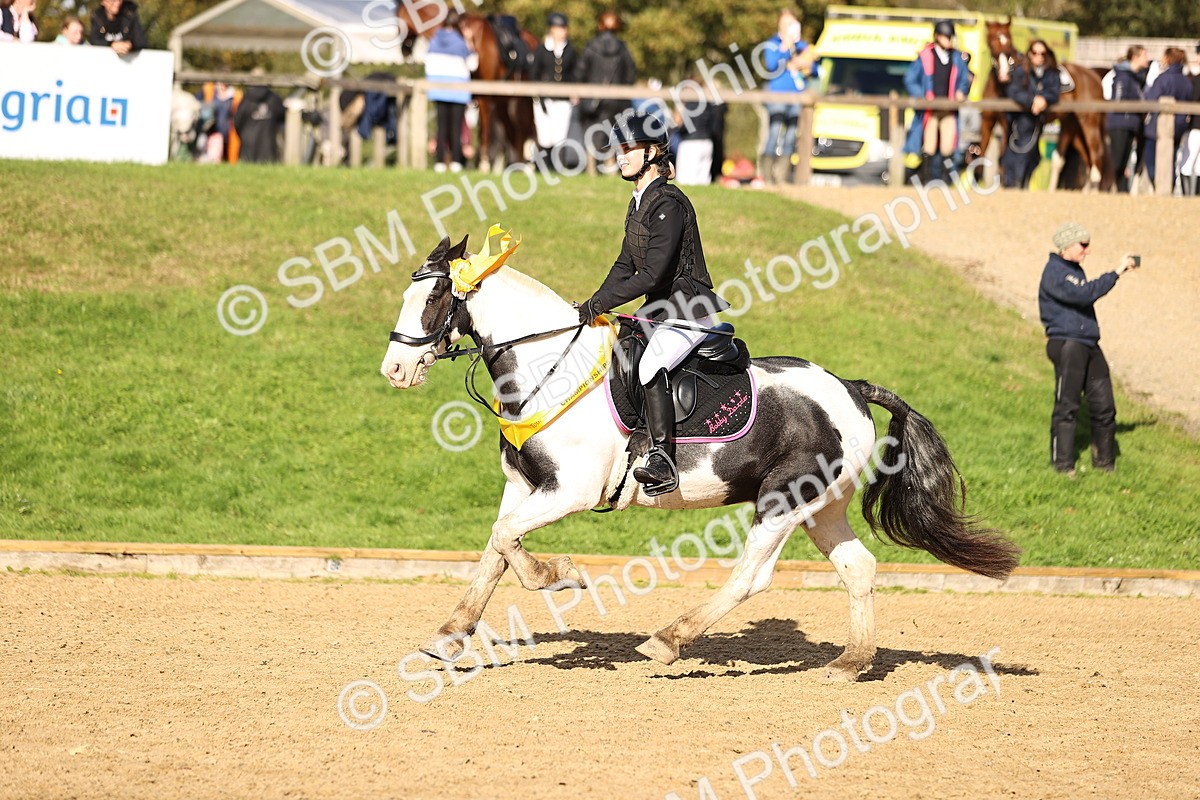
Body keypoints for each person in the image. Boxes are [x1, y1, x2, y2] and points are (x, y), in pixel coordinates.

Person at [576, 114, 730, 495]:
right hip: (660, 309)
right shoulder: (639, 202)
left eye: (628, 149)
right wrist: (592, 303)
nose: (621, 156)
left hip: (689, 309)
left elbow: (653, 274)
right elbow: (625, 264)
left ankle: (663, 459)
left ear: (651, 152)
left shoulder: (670, 204)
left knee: (650, 364)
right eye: (619, 149)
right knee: (617, 350)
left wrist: (600, 302)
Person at [1038, 223, 1138, 476]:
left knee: (1104, 406)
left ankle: (1105, 465)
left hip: (1088, 344)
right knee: (1067, 406)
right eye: (1083, 244)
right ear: (1066, 246)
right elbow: (1085, 294)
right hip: (1069, 345)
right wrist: (1117, 272)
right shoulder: (1055, 271)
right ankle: (1063, 468)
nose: (1088, 250)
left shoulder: (1073, 270)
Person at [903, 20, 973, 182]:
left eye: (950, 37)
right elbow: (910, 79)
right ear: (937, 36)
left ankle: (944, 179)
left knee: (948, 145)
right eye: (945, 36)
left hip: (949, 108)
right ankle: (928, 178)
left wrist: (961, 91)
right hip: (930, 109)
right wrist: (921, 95)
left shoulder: (956, 58)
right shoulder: (925, 56)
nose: (949, 40)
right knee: (929, 144)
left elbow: (964, 79)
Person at [758, 9, 818, 184]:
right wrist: (785, 49)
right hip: (777, 96)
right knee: (774, 133)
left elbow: (814, 69)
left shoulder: (802, 46)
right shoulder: (773, 44)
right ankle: (768, 178)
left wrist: (804, 63)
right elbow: (771, 65)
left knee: (791, 136)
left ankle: (782, 178)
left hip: (797, 97)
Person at [578, 9, 636, 170]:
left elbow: (580, 72)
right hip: (618, 101)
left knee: (592, 134)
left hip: (593, 101)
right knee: (614, 135)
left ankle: (591, 170)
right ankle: (610, 167)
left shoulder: (591, 47)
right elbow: (630, 75)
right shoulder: (623, 49)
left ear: (600, 26)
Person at [1001, 40, 1060, 190]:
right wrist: (1032, 100)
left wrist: (1044, 99)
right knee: (1017, 153)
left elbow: (1054, 91)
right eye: (1035, 53)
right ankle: (1013, 185)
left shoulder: (1050, 73)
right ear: (1029, 53)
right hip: (1020, 121)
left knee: (1032, 157)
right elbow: (1013, 91)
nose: (1039, 56)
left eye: (1043, 53)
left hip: (1037, 122)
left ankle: (1022, 184)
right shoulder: (1021, 71)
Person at [425, 10, 477, 173]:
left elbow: (427, 63)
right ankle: (456, 161)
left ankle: (439, 161)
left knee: (441, 127)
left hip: (438, 88)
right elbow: (473, 64)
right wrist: (469, 41)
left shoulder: (434, 39)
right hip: (458, 90)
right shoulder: (460, 42)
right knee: (456, 127)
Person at [1143, 48, 1193, 192]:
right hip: (1179, 126)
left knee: (1151, 160)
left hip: (1157, 127)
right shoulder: (1186, 81)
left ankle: (1158, 186)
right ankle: (1169, 187)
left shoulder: (1162, 79)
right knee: (1171, 160)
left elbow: (1151, 100)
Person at [531, 11, 578, 156]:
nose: (562, 31)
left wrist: (574, 92)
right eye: (559, 28)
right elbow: (534, 73)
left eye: (564, 28)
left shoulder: (571, 50)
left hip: (563, 99)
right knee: (544, 135)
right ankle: (543, 166)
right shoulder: (541, 49)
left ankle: (557, 166)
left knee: (560, 136)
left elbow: (575, 73)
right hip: (543, 98)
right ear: (551, 29)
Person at [1106, 46, 1150, 193]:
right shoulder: (1123, 77)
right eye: (1144, 55)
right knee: (1116, 161)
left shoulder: (1135, 78)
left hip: (1130, 124)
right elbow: (1118, 101)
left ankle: (1121, 192)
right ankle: (1105, 189)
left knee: (1123, 162)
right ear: (1135, 57)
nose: (1147, 59)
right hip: (1120, 123)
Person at [233, 81, 286, 164]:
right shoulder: (274, 99)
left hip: (248, 148)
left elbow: (237, 122)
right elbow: (282, 119)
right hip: (269, 148)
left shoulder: (246, 100)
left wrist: (243, 135)